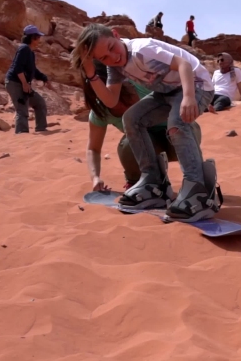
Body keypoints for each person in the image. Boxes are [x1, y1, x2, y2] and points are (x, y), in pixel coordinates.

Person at [71, 24, 220, 222]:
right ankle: (153, 183)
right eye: (104, 57)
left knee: (177, 123)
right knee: (132, 119)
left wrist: (188, 97)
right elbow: (111, 101)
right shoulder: (115, 67)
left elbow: (183, 64)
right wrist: (91, 74)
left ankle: (197, 190)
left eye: (111, 47)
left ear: (116, 34)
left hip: (196, 85)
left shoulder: (142, 50)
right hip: (167, 93)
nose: (112, 57)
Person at [84, 60, 202, 193]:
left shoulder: (144, 87)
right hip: (146, 146)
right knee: (128, 145)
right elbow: (93, 148)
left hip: (176, 137)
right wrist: (95, 177)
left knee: (180, 131)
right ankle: (142, 183)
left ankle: (198, 182)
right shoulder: (100, 110)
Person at [4, 24, 49, 134]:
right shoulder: (23, 48)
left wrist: (44, 78)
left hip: (22, 83)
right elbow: (17, 68)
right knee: (22, 109)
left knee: (39, 103)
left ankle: (41, 129)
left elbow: (33, 70)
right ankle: (22, 134)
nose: (39, 40)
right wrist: (24, 83)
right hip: (15, 83)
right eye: (38, 37)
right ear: (32, 37)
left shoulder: (30, 52)